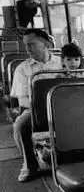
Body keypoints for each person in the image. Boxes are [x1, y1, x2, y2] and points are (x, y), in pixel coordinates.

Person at [10, 28, 62, 182]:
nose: (27, 49)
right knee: (21, 124)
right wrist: (40, 107)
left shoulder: (63, 62)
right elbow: (23, 100)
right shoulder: (22, 69)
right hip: (37, 110)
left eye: (31, 44)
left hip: (64, 107)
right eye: (25, 45)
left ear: (46, 43)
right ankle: (30, 166)